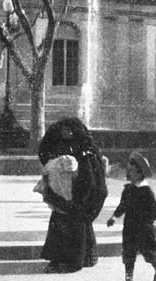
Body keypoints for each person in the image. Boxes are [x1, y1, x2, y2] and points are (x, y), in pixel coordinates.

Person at [39, 117, 107, 273]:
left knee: (75, 222)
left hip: (82, 195)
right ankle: (85, 257)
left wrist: (78, 198)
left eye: (68, 130)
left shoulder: (86, 150)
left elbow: (90, 179)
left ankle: (72, 261)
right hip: (69, 194)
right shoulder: (67, 146)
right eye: (63, 130)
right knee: (68, 222)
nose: (65, 132)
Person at [107, 151, 156, 281]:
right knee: (128, 255)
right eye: (128, 170)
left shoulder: (146, 190)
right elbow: (122, 205)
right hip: (130, 227)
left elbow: (155, 211)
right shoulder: (128, 189)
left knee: (148, 253)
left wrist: (148, 222)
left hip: (143, 228)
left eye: (132, 170)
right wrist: (114, 217)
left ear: (140, 173)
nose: (128, 173)